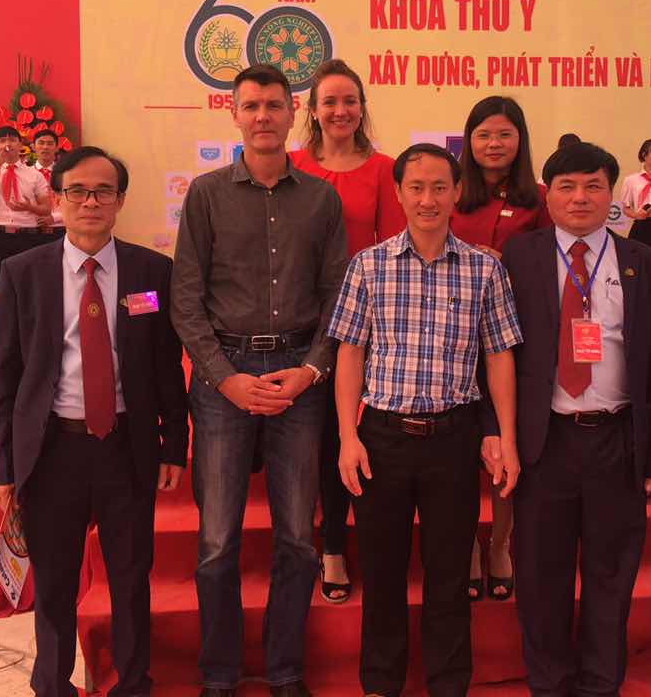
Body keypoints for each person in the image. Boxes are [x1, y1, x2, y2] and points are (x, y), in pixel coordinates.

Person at [171, 64, 348, 697]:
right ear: (235, 114)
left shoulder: (321, 199)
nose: (264, 116)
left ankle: (284, 671)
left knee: (298, 539)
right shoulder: (206, 195)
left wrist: (310, 372)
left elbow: (338, 298)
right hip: (225, 378)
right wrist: (225, 380)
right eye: (252, 106)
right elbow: (185, 300)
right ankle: (219, 674)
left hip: (299, 376)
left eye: (274, 105)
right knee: (217, 542)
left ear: (294, 110)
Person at [0, 145, 188, 697]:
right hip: (53, 450)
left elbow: (167, 365)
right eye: (77, 191)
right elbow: (3, 378)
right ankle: (53, 684)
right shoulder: (23, 272)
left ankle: (133, 683)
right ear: (58, 198)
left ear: (120, 200)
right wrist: (3, 466)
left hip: (127, 447)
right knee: (55, 581)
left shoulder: (152, 272)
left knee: (131, 577)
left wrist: (174, 443)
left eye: (103, 191)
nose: (90, 202)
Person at [329, 142, 523, 697]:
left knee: (448, 576)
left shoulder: (485, 268)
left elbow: (499, 356)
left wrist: (506, 438)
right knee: (383, 575)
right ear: (398, 193)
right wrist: (347, 436)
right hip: (382, 439)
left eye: (440, 187)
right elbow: (350, 354)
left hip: (453, 440)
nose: (428, 199)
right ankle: (380, 684)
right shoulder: (368, 266)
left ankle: (448, 684)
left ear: (457, 192)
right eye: (416, 187)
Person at [502, 135, 651, 697]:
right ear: (548, 195)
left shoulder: (646, 265)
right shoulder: (518, 257)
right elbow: (494, 354)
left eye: (593, 186)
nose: (580, 197)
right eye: (567, 187)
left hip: (616, 442)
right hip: (543, 442)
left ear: (612, 194)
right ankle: (549, 683)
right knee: (540, 577)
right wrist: (496, 435)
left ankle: (601, 684)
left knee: (611, 575)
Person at [289, 58, 405, 605]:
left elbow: (393, 249)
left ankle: (365, 544)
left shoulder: (385, 169)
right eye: (330, 101)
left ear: (362, 107)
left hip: (365, 322)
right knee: (318, 439)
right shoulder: (290, 165)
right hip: (299, 321)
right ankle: (331, 544)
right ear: (313, 110)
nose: (340, 110)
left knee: (354, 435)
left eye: (350, 101)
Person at [450, 95, 550, 603]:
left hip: (515, 338)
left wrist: (503, 263)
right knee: (460, 449)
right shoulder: (450, 191)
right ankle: (468, 545)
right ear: (469, 140)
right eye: (484, 134)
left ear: (520, 140)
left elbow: (553, 265)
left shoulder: (540, 199)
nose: (494, 144)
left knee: (508, 443)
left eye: (504, 134)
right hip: (453, 336)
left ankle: (500, 545)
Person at [0, 126, 52, 296]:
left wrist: (29, 207)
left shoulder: (34, 175)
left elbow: (46, 209)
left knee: (27, 285)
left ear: (20, 145)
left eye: (12, 140)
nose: (8, 144)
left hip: (27, 235)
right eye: (2, 141)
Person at [30, 128, 66, 243]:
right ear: (33, 147)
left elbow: (72, 201)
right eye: (41, 143)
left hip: (60, 229)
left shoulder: (65, 174)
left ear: (57, 148)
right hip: (32, 230)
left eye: (50, 144)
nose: (45, 147)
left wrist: (54, 218)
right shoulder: (26, 174)